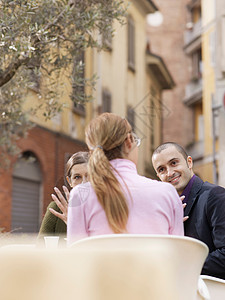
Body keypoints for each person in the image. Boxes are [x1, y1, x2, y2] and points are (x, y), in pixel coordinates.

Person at [67, 113, 184, 245]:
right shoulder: (167, 193)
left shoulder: (80, 196)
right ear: (129, 141)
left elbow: (75, 259)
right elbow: (177, 257)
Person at [152, 142, 225, 280]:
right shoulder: (166, 209)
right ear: (158, 176)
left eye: (174, 163)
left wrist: (182, 266)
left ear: (189, 162)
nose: (169, 173)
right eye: (162, 169)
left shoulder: (215, 196)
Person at [38, 151, 89, 239]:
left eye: (89, 176)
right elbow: (40, 247)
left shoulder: (103, 210)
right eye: (77, 177)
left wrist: (73, 224)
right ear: (69, 181)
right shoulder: (56, 208)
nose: (83, 183)